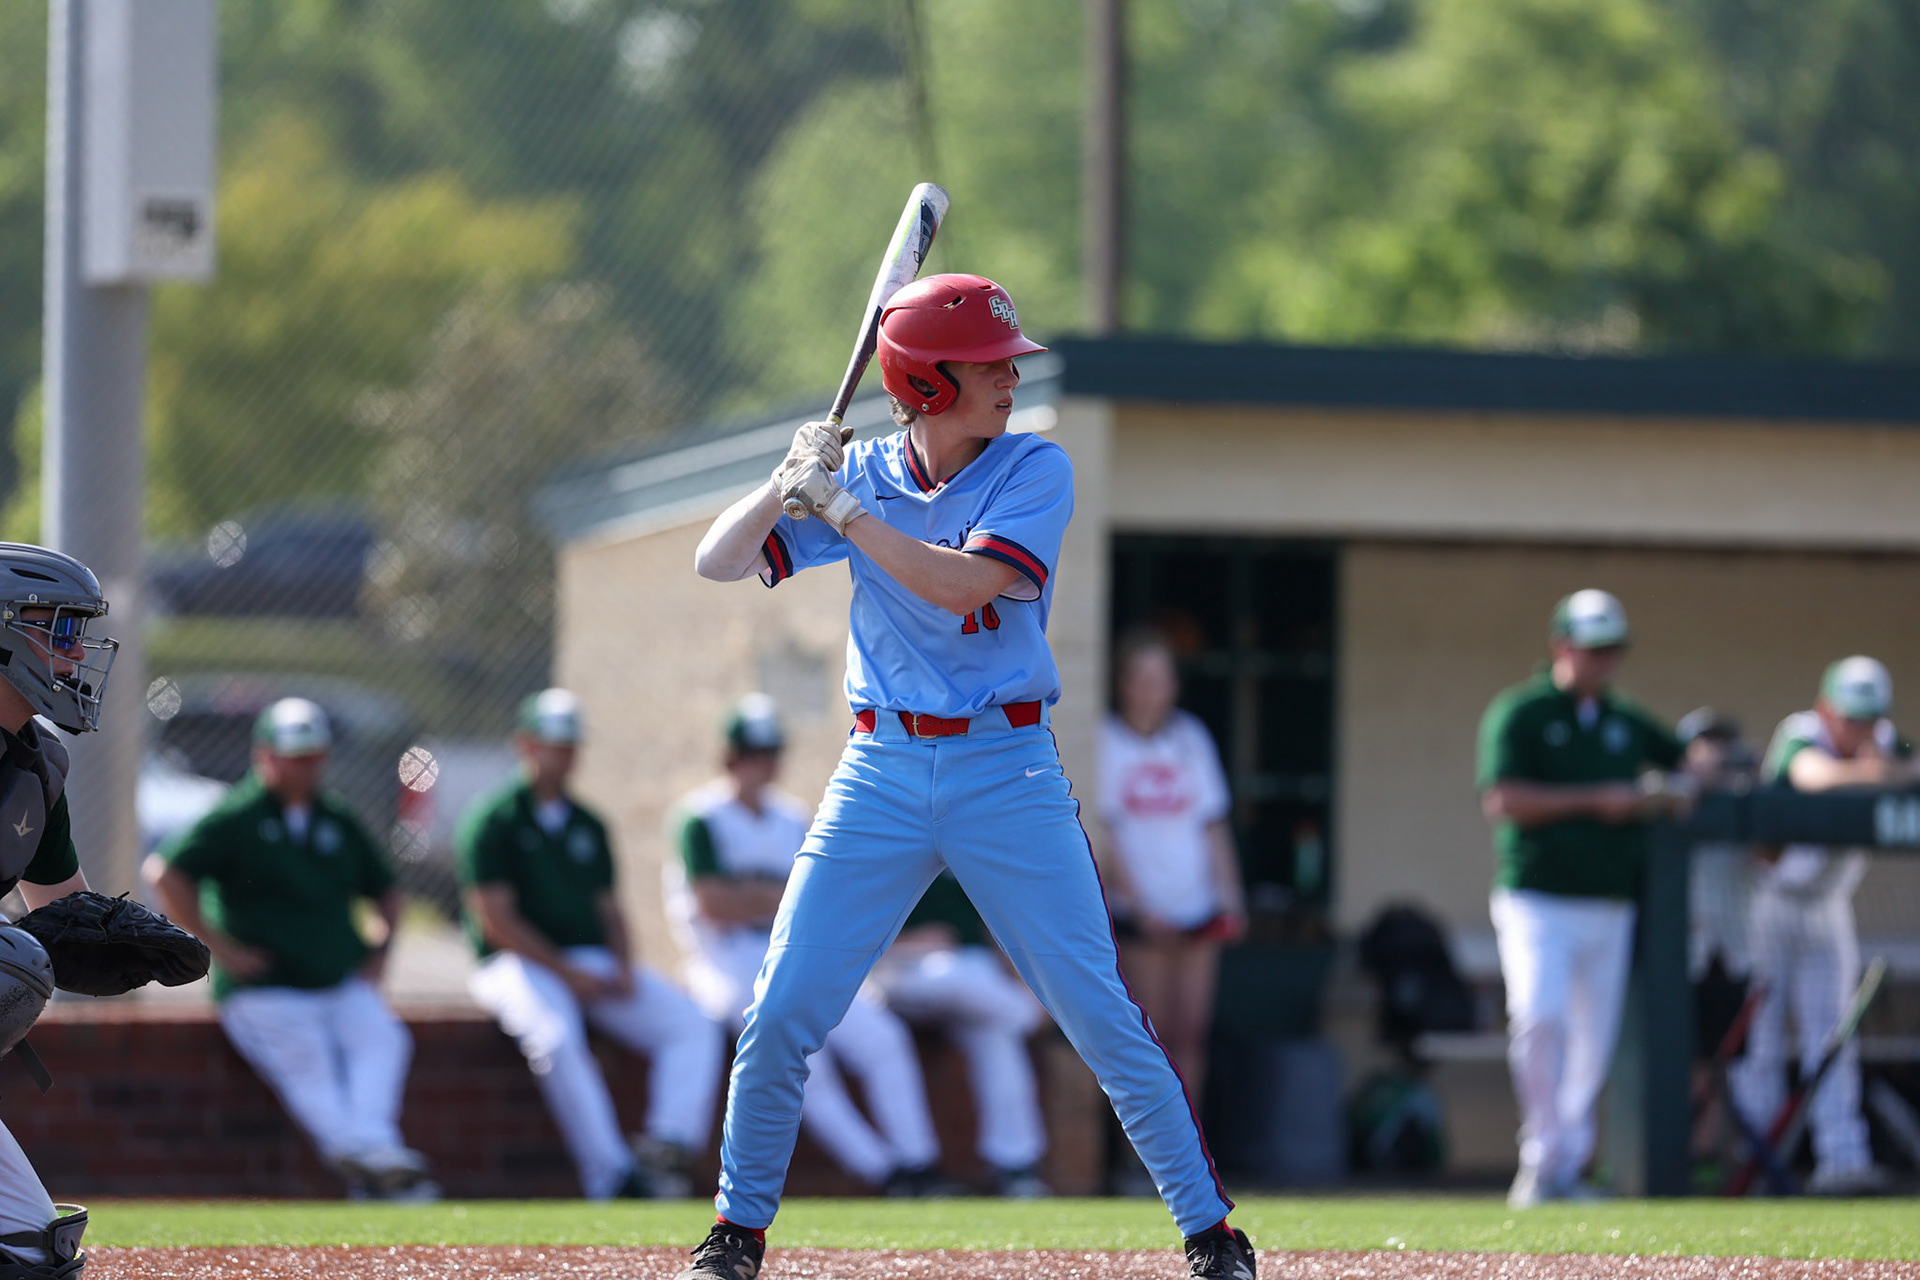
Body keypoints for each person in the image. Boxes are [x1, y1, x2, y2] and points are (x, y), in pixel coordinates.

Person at [680, 273, 1253, 1280]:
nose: (1009, 377)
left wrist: (847, 512)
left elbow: (961, 588)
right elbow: (716, 563)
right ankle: (736, 1230)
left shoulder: (1036, 466)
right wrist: (786, 478)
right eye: (989, 364)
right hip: (881, 769)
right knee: (780, 1010)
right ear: (928, 381)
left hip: (1007, 767)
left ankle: (1212, 1234)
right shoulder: (852, 471)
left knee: (1099, 1012)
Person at [146, 697, 436, 1200]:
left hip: (338, 979)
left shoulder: (336, 816)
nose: (306, 766)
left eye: (314, 756)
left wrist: (380, 951)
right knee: (310, 1064)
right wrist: (220, 949)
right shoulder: (238, 814)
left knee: (383, 1039)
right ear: (265, 755)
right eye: (295, 755)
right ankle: (381, 1167)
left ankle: (370, 1158)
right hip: (266, 989)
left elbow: (386, 887)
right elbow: (165, 874)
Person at [667, 695, 956, 1197]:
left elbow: (819, 899)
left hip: (791, 949)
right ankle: (883, 1172)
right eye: (750, 753)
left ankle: (918, 1163)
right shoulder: (701, 817)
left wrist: (754, 896)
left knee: (883, 1037)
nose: (762, 764)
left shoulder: (791, 816)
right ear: (729, 758)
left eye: (770, 752)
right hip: (724, 958)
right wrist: (775, 897)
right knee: (803, 1057)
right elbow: (714, 904)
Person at [457, 688, 724, 1200]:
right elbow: (495, 921)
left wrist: (624, 964)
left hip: (588, 960)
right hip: (516, 964)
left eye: (571, 743)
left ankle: (667, 1146)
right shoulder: (493, 818)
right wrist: (565, 971)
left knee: (691, 1024)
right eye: (553, 743)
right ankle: (613, 1177)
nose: (564, 754)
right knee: (556, 1040)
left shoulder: (588, 822)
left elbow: (609, 909)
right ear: (526, 744)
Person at [1476, 589, 1685, 1208]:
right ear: (1561, 647)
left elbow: (1684, 759)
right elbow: (1504, 799)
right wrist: (1599, 799)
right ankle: (1541, 1159)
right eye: (1593, 650)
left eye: (1612, 650)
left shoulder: (1626, 720)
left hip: (1609, 902)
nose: (1604, 662)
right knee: (1540, 1017)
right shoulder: (1521, 712)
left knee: (1593, 1042)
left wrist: (1687, 776)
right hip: (1537, 899)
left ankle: (1566, 1167)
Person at [1728, 657, 1904, 1195]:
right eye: (1851, 717)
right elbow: (1815, 777)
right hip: (1770, 901)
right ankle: (1754, 1162)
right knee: (1759, 1039)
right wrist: (1881, 774)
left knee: (1832, 1036)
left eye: (1870, 718)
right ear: (1827, 709)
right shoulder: (1800, 733)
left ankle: (1841, 1160)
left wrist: (1886, 768)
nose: (1860, 729)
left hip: (1829, 906)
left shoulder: (1886, 741)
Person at [0, 544, 122, 1279]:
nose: (77, 655)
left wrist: (118, 938)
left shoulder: (36, 764)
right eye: (61, 630)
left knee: (31, 1258)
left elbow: (59, 910)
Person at [1097, 628, 1246, 1115]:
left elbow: (1212, 822)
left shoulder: (1191, 738)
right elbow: (1106, 832)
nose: (1151, 691)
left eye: (1161, 679)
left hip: (1195, 906)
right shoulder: (1106, 742)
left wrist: (1230, 895)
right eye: (1142, 679)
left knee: (1191, 1032)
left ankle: (1192, 1149)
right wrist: (1141, 905)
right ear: (1122, 684)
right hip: (1142, 914)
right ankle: (1143, 1159)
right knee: (1149, 1034)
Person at [867, 869, 1053, 1198]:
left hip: (971, 979)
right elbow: (845, 929)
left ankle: (1014, 1164)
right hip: (896, 971)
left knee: (996, 1037)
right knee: (961, 981)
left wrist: (1023, 981)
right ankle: (1034, 1011)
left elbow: (998, 931)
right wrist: (910, 942)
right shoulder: (877, 840)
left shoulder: (972, 850)